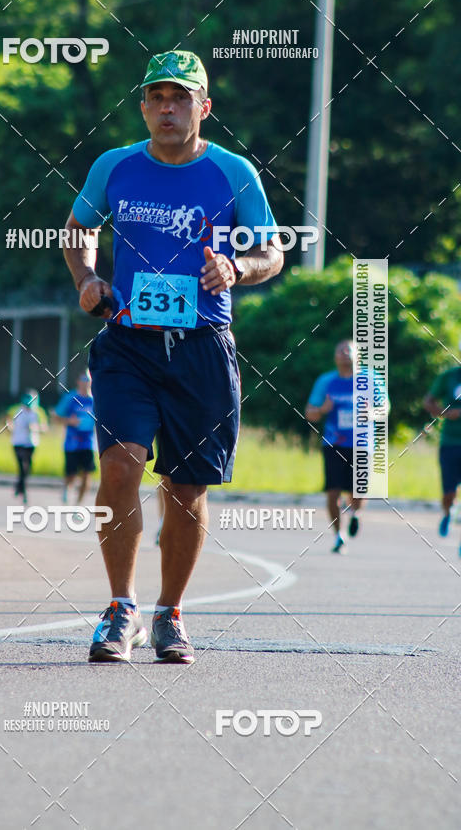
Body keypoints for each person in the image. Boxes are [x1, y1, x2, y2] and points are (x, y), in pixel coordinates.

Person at [62, 50, 284, 663]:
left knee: (185, 490)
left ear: (203, 108)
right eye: (157, 97)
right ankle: (120, 609)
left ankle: (170, 615)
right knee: (120, 464)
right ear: (142, 107)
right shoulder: (114, 166)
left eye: (180, 97)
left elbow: (273, 254)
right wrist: (87, 275)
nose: (167, 107)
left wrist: (238, 266)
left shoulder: (235, 173)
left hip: (202, 349)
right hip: (127, 342)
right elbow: (78, 227)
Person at [305, 340, 364, 553]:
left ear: (358, 356)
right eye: (340, 350)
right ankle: (339, 535)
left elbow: (384, 407)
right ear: (335, 357)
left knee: (359, 491)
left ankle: (355, 513)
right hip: (334, 443)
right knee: (333, 492)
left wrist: (371, 412)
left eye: (349, 350)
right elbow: (309, 414)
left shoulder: (369, 379)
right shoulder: (326, 381)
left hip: (362, 443)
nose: (345, 353)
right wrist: (322, 409)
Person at [423, 350, 461, 547]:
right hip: (451, 442)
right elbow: (428, 401)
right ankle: (448, 512)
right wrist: (445, 413)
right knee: (449, 493)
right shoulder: (449, 376)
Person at [54, 371, 96, 504]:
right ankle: (67, 488)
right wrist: (69, 421)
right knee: (71, 475)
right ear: (78, 381)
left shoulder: (95, 400)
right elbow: (56, 417)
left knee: (87, 474)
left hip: (88, 443)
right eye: (83, 379)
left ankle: (79, 504)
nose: (85, 382)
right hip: (71, 443)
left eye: (88, 379)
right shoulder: (70, 398)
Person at [6, 389, 48, 504]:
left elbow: (44, 428)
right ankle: (24, 494)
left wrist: (35, 428)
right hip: (17, 442)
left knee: (28, 468)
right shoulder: (16, 409)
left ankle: (18, 487)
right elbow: (8, 420)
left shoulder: (39, 412)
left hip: (31, 443)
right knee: (22, 467)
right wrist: (9, 427)